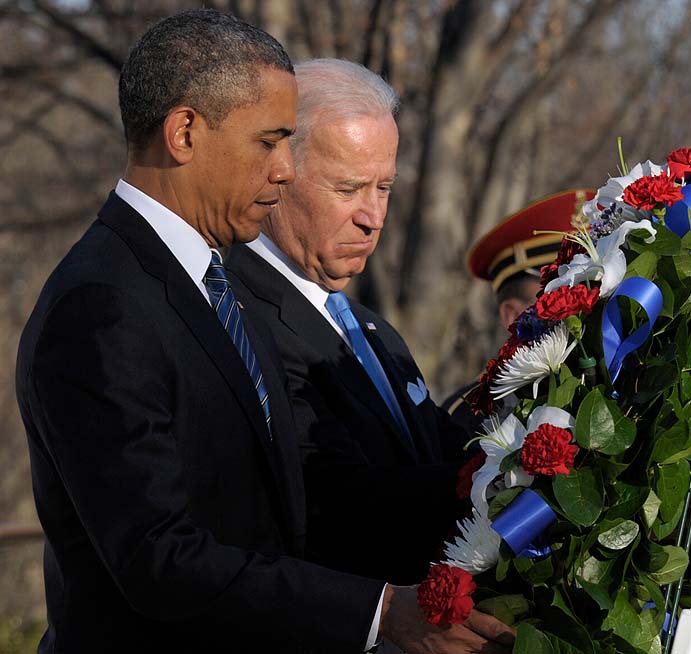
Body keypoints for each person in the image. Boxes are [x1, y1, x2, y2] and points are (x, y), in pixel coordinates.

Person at [16, 11, 512, 654]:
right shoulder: (103, 305)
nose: (284, 171)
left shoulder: (206, 283)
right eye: (269, 141)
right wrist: (378, 612)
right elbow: (156, 556)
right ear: (185, 133)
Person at [226, 59, 470, 586]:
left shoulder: (368, 329)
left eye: (384, 188)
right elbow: (337, 500)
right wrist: (494, 481)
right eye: (349, 188)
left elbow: (434, 448)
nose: (373, 216)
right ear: (280, 174)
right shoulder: (237, 315)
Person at [443, 190, 594, 435]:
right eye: (556, 291)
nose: (581, 303)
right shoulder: (465, 418)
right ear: (513, 317)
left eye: (590, 287)